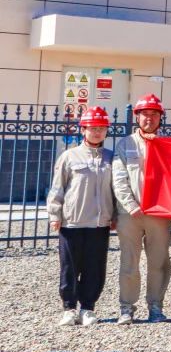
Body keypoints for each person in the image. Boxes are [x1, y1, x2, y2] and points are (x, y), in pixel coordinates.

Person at [48, 107, 115, 327]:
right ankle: (69, 308)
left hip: (99, 223)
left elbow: (115, 190)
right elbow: (57, 187)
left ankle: (88, 308)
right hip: (72, 222)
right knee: (70, 267)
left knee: (94, 267)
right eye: (92, 128)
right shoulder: (69, 156)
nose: (97, 132)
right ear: (83, 129)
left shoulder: (111, 158)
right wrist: (55, 214)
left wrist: (114, 215)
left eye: (101, 128)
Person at [112, 94, 171, 324]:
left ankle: (156, 306)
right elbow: (119, 179)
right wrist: (130, 205)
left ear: (160, 117)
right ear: (137, 117)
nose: (149, 118)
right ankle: (127, 307)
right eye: (145, 114)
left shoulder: (168, 145)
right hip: (131, 215)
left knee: (159, 262)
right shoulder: (125, 144)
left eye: (154, 114)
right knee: (129, 262)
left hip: (159, 214)